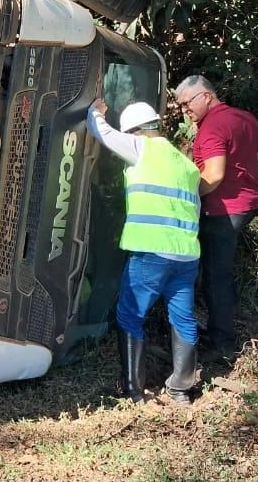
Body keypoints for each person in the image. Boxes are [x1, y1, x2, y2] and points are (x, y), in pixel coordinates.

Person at [87, 98, 202, 404]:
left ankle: (133, 391)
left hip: (152, 252)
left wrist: (94, 112)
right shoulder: (187, 166)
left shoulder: (143, 149)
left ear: (136, 131)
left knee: (129, 315)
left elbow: (104, 134)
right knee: (183, 319)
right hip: (187, 256)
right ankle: (180, 388)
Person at [173, 75, 258, 362]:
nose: (184, 111)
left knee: (217, 276)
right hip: (247, 204)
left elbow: (213, 175)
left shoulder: (212, 126)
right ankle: (217, 328)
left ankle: (222, 344)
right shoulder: (244, 118)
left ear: (206, 96)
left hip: (222, 210)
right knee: (220, 271)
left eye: (187, 103)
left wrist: (187, 196)